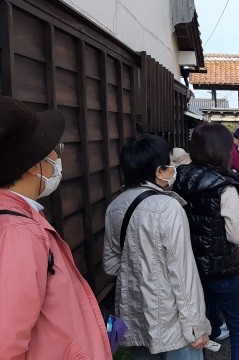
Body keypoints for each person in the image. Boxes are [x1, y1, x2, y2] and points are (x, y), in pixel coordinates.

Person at [0, 96, 112, 359]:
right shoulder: (18, 232)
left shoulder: (20, 219)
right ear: (31, 165)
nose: (58, 156)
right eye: (53, 148)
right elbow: (6, 342)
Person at [103, 135, 211, 359]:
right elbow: (182, 274)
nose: (174, 168)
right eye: (170, 163)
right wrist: (196, 326)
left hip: (136, 316)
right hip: (174, 322)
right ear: (159, 171)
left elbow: (111, 265)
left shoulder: (114, 207)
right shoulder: (168, 207)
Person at [173, 123, 239, 360]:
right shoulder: (224, 186)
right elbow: (236, 235)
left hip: (189, 268)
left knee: (201, 326)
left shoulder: (178, 178)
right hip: (221, 268)